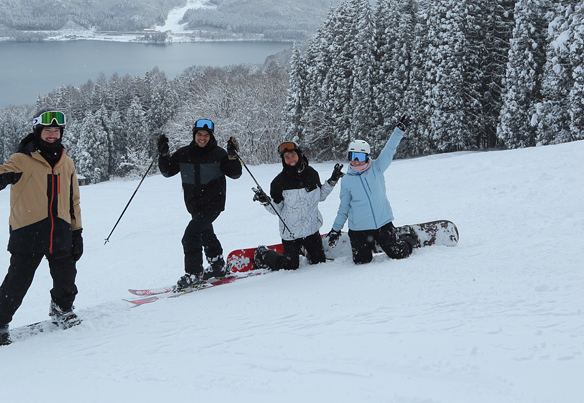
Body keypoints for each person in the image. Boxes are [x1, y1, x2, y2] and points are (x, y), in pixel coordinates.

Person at [0, 109, 83, 346]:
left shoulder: (67, 162)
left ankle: (62, 310)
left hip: (61, 230)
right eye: (48, 131)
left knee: (66, 279)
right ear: (38, 131)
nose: (53, 135)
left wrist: (77, 231)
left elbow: (73, 200)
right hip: (28, 231)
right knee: (18, 282)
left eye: (56, 131)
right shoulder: (22, 160)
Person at [157, 119, 242, 288]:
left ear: (211, 136)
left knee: (190, 236)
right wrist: (163, 154)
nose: (202, 138)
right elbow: (168, 171)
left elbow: (235, 174)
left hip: (213, 203)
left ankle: (194, 273)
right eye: (199, 134)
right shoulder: (183, 154)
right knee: (205, 232)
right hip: (193, 204)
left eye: (206, 135)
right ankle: (218, 266)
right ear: (194, 135)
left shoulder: (219, 154)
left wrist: (233, 157)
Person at [327, 116, 413, 265]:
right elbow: (344, 208)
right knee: (362, 261)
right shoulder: (347, 180)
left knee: (397, 254)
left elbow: (389, 149)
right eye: (352, 156)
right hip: (359, 229)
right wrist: (336, 230)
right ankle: (373, 244)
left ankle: (409, 237)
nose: (356, 160)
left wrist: (399, 131)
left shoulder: (377, 168)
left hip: (383, 223)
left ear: (366, 156)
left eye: (359, 156)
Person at [251, 142, 344, 270]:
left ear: (299, 155)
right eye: (287, 157)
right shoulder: (278, 182)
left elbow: (320, 196)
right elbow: (277, 210)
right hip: (291, 233)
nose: (291, 160)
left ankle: (307, 249)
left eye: (293, 155)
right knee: (290, 266)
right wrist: (266, 202)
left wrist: (333, 180)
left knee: (319, 262)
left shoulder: (312, 174)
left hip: (311, 229)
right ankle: (263, 254)